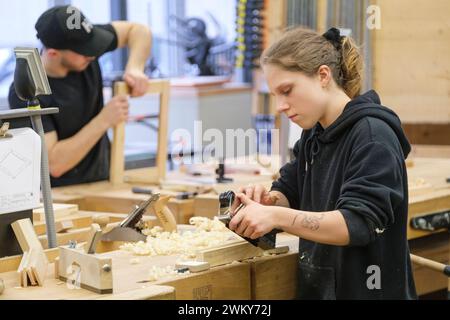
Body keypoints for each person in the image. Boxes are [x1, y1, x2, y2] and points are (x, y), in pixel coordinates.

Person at [229, 27, 417, 299]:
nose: (280, 106)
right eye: (275, 96)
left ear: (323, 76)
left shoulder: (373, 136)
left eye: (287, 90)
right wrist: (265, 202)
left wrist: (275, 216)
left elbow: (356, 224)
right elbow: (290, 192)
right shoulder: (314, 133)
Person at [8, 5, 152, 187]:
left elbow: (138, 30)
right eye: (85, 50)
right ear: (53, 53)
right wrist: (104, 120)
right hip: (63, 195)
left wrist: (135, 68)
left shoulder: (84, 54)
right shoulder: (28, 91)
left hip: (103, 180)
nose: (93, 53)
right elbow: (54, 164)